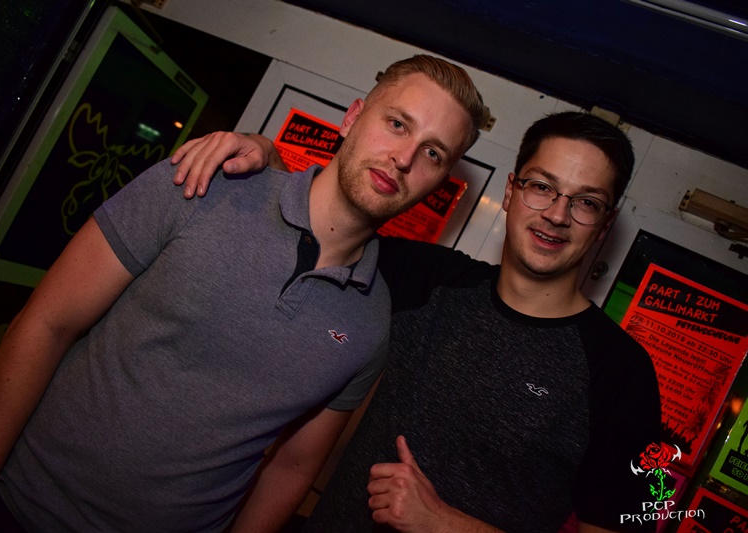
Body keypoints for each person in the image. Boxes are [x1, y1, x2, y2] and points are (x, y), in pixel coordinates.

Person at [0, 55, 487, 532]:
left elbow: (292, 467)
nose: (403, 158)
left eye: (432, 153)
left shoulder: (370, 322)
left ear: (439, 181)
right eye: (396, 124)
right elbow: (47, 324)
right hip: (19, 509)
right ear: (352, 117)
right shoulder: (201, 185)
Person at [169, 111, 662, 532]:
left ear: (605, 224)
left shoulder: (621, 373)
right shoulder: (428, 280)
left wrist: (444, 524)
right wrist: (260, 152)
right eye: (541, 187)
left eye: (586, 202)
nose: (557, 214)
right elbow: (320, 221)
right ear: (511, 192)